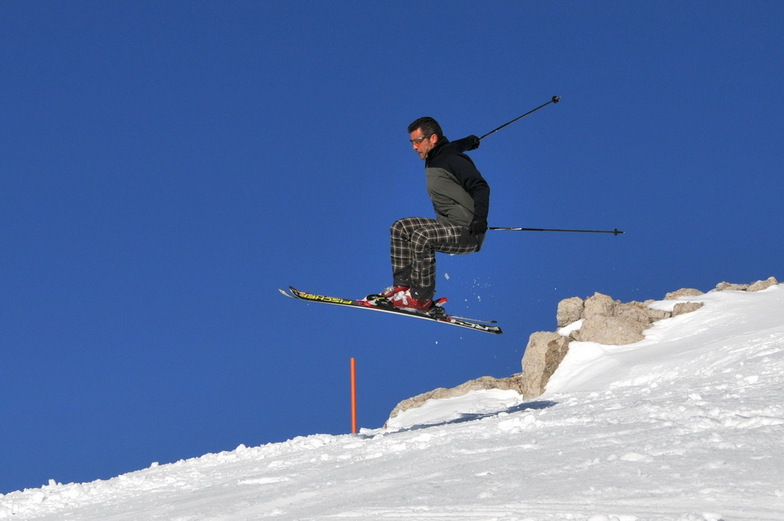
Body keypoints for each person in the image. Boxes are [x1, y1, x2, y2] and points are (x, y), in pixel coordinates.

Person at [377, 117, 490, 312]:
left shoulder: (452, 159)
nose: (414, 147)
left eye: (417, 141)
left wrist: (480, 217)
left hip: (467, 231)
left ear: (433, 139)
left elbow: (480, 187)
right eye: (412, 142)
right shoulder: (437, 158)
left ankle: (420, 299)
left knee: (422, 237)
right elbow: (447, 149)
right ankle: (402, 289)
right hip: (448, 226)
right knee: (400, 227)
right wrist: (465, 142)